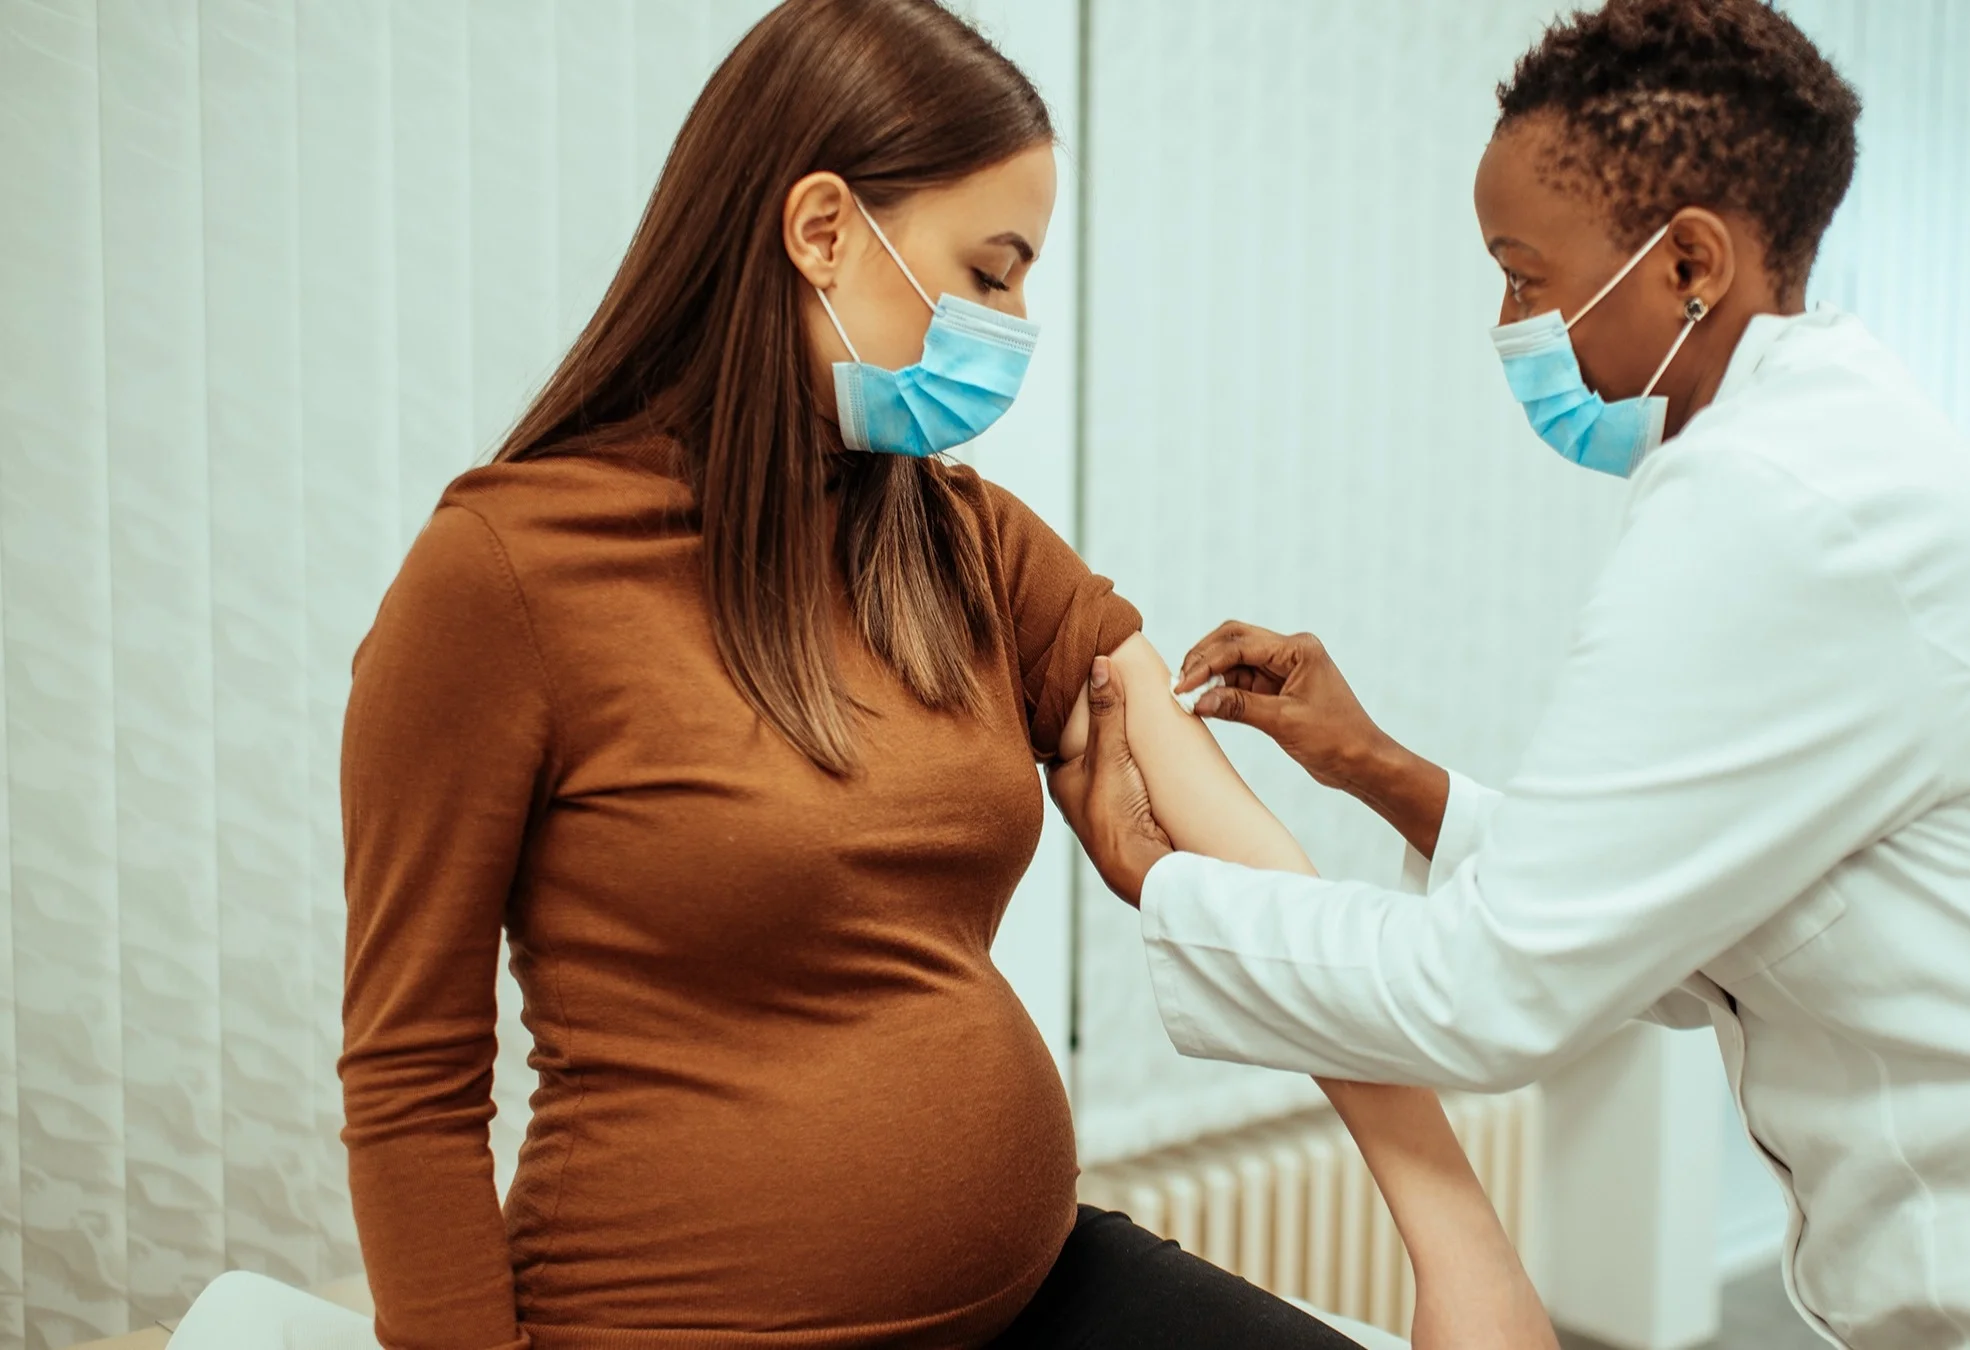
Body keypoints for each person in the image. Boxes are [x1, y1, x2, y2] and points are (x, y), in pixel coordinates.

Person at [1050, 3, 1970, 1348]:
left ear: (1687, 260)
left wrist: (1161, 878)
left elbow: (1493, 987)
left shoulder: (1771, 503)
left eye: (1525, 275)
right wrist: (1381, 769)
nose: (1506, 323)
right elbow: (1676, 926)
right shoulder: (1826, 465)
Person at [338, 2, 1551, 1348]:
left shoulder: (960, 541)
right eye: (990, 272)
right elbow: (410, 1081)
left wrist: (1463, 1245)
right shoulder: (504, 576)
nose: (1017, 323)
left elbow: (1253, 865)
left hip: (1034, 1289)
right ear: (821, 230)